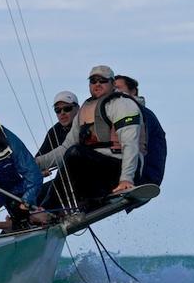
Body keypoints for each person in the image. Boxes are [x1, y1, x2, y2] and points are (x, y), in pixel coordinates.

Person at [36, 66, 145, 210]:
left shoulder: (122, 104)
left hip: (120, 170)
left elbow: (130, 145)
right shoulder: (84, 110)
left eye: (103, 81)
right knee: (72, 155)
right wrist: (35, 164)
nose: (97, 84)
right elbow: (65, 149)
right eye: (93, 81)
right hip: (96, 173)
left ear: (112, 84)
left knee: (76, 154)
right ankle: (50, 212)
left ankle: (47, 209)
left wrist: (126, 179)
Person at [114, 75, 167, 186]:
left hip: (144, 173)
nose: (114, 92)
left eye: (118, 88)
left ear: (133, 91)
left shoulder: (141, 114)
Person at [37, 91, 79, 155]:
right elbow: (39, 156)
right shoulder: (54, 131)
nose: (62, 113)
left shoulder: (85, 124)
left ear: (77, 108)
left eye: (67, 108)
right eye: (58, 110)